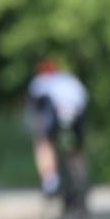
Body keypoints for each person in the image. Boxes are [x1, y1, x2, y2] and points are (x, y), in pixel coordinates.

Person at [27, 59, 89, 198]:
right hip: (77, 113)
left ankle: (50, 182)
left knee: (43, 144)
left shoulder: (40, 81)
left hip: (55, 113)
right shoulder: (71, 80)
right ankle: (81, 178)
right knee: (77, 149)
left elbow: (35, 108)